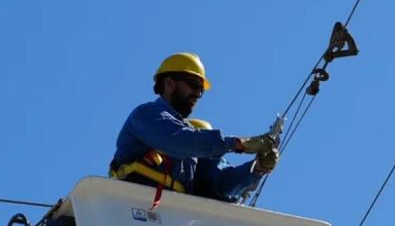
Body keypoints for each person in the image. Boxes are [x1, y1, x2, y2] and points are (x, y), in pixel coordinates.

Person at [110, 52, 279, 204]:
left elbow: (219, 182)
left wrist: (257, 168)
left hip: (171, 218)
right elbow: (178, 140)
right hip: (131, 205)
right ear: (169, 84)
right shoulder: (146, 115)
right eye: (193, 85)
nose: (198, 94)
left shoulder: (193, 142)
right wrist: (238, 143)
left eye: (201, 90)